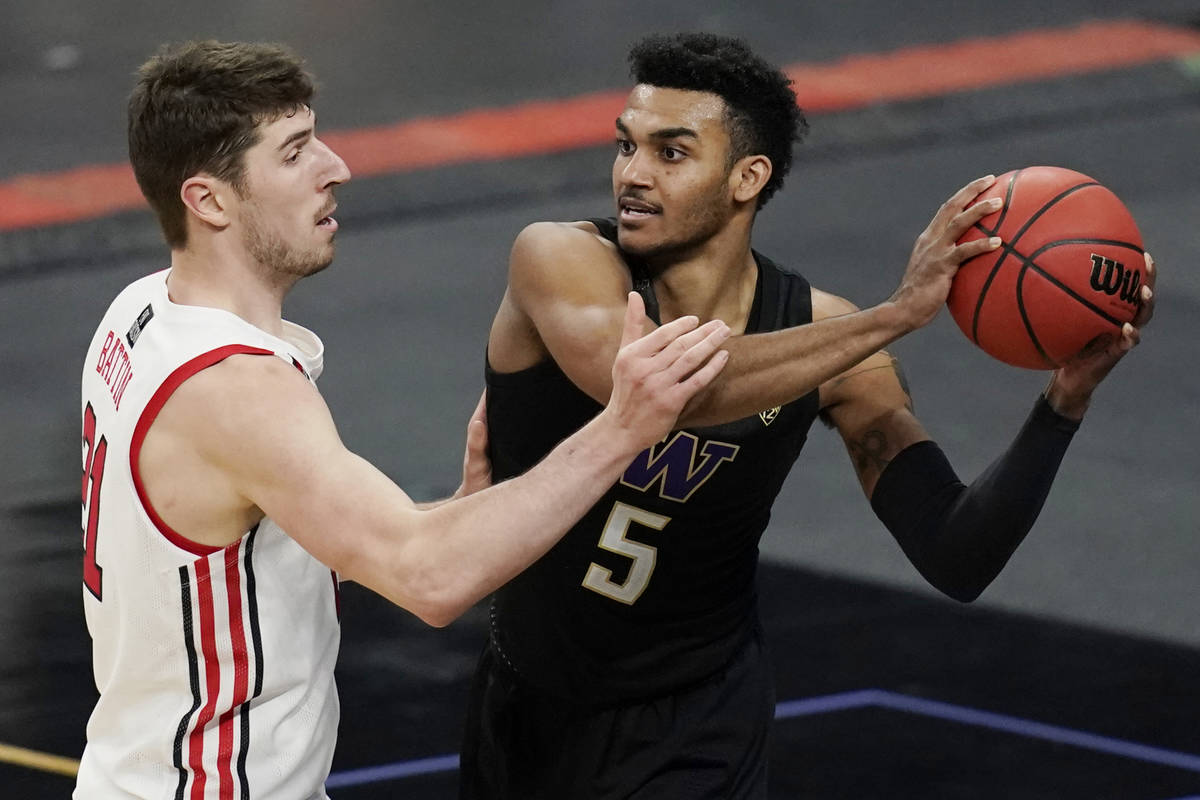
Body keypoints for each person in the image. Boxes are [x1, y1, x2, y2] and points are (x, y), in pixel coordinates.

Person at [461, 32, 1157, 799]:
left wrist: (1063, 405)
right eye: (626, 146)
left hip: (699, 725)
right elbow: (661, 388)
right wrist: (892, 317)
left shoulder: (828, 338)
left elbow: (957, 553)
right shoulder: (560, 260)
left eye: (671, 153)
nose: (632, 174)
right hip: (525, 709)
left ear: (747, 177)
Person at [76, 40, 731, 800]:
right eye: (294, 153)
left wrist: (455, 512)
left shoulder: (142, 311)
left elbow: (257, 539)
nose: (336, 167)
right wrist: (624, 425)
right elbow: (429, 580)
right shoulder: (234, 390)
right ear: (209, 200)